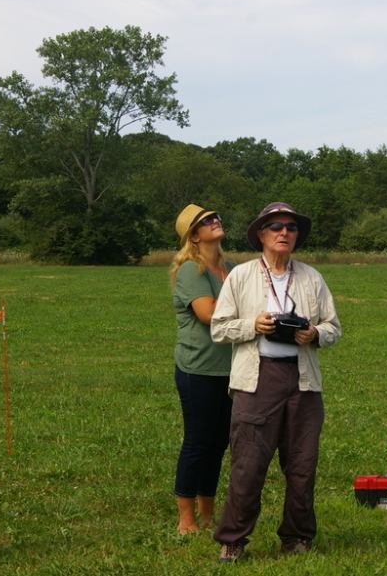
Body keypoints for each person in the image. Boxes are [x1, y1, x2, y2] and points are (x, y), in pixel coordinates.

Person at [211, 202, 342, 562]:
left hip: (303, 382)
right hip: (257, 379)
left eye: (291, 227)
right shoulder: (241, 276)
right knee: (248, 463)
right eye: (276, 227)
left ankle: (297, 537)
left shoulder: (312, 277)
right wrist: (253, 324)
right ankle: (233, 540)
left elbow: (334, 328)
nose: (284, 232)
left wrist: (314, 333)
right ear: (261, 236)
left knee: (302, 464)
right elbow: (219, 327)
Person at [170, 204, 236, 534]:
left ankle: (208, 515)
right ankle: (186, 519)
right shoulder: (190, 271)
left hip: (232, 369)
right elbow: (208, 313)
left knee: (218, 443)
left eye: (216, 217)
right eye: (206, 221)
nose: (215, 221)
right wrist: (248, 310)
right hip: (198, 370)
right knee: (198, 442)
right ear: (194, 236)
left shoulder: (232, 268)